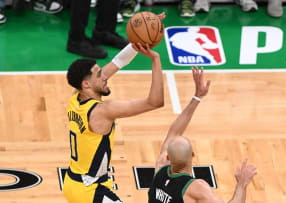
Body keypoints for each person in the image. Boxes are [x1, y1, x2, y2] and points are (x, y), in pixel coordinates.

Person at [63, 42, 164, 203]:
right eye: (98, 74)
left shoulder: (76, 97)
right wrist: (156, 59)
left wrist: (136, 42)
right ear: (86, 84)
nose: (104, 76)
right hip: (90, 191)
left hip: (72, 183)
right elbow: (155, 102)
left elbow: (117, 62)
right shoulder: (103, 111)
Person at [148, 67, 257, 203]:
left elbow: (174, 132)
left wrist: (197, 97)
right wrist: (242, 184)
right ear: (193, 154)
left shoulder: (160, 169)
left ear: (168, 157)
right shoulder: (196, 188)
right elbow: (174, 133)